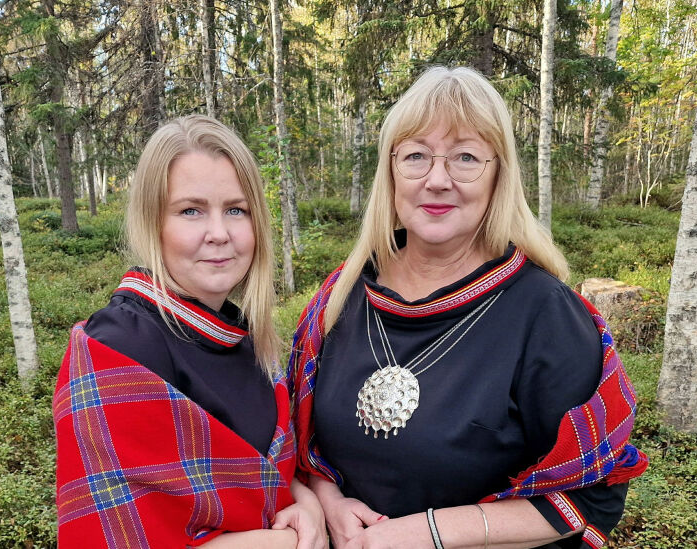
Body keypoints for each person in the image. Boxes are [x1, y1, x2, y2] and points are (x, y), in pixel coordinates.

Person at [289, 67, 648, 549]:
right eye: (416, 155)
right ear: (391, 171)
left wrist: (426, 534)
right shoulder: (342, 295)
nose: (437, 180)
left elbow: (591, 499)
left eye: (465, 157)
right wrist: (329, 500)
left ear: (499, 174)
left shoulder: (545, 315)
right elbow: (302, 446)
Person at [54, 115, 325, 548]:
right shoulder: (117, 346)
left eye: (236, 210)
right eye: (190, 211)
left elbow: (266, 471)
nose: (219, 234)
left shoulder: (245, 337)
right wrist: (280, 542)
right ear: (153, 222)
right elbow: (112, 537)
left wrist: (302, 499)